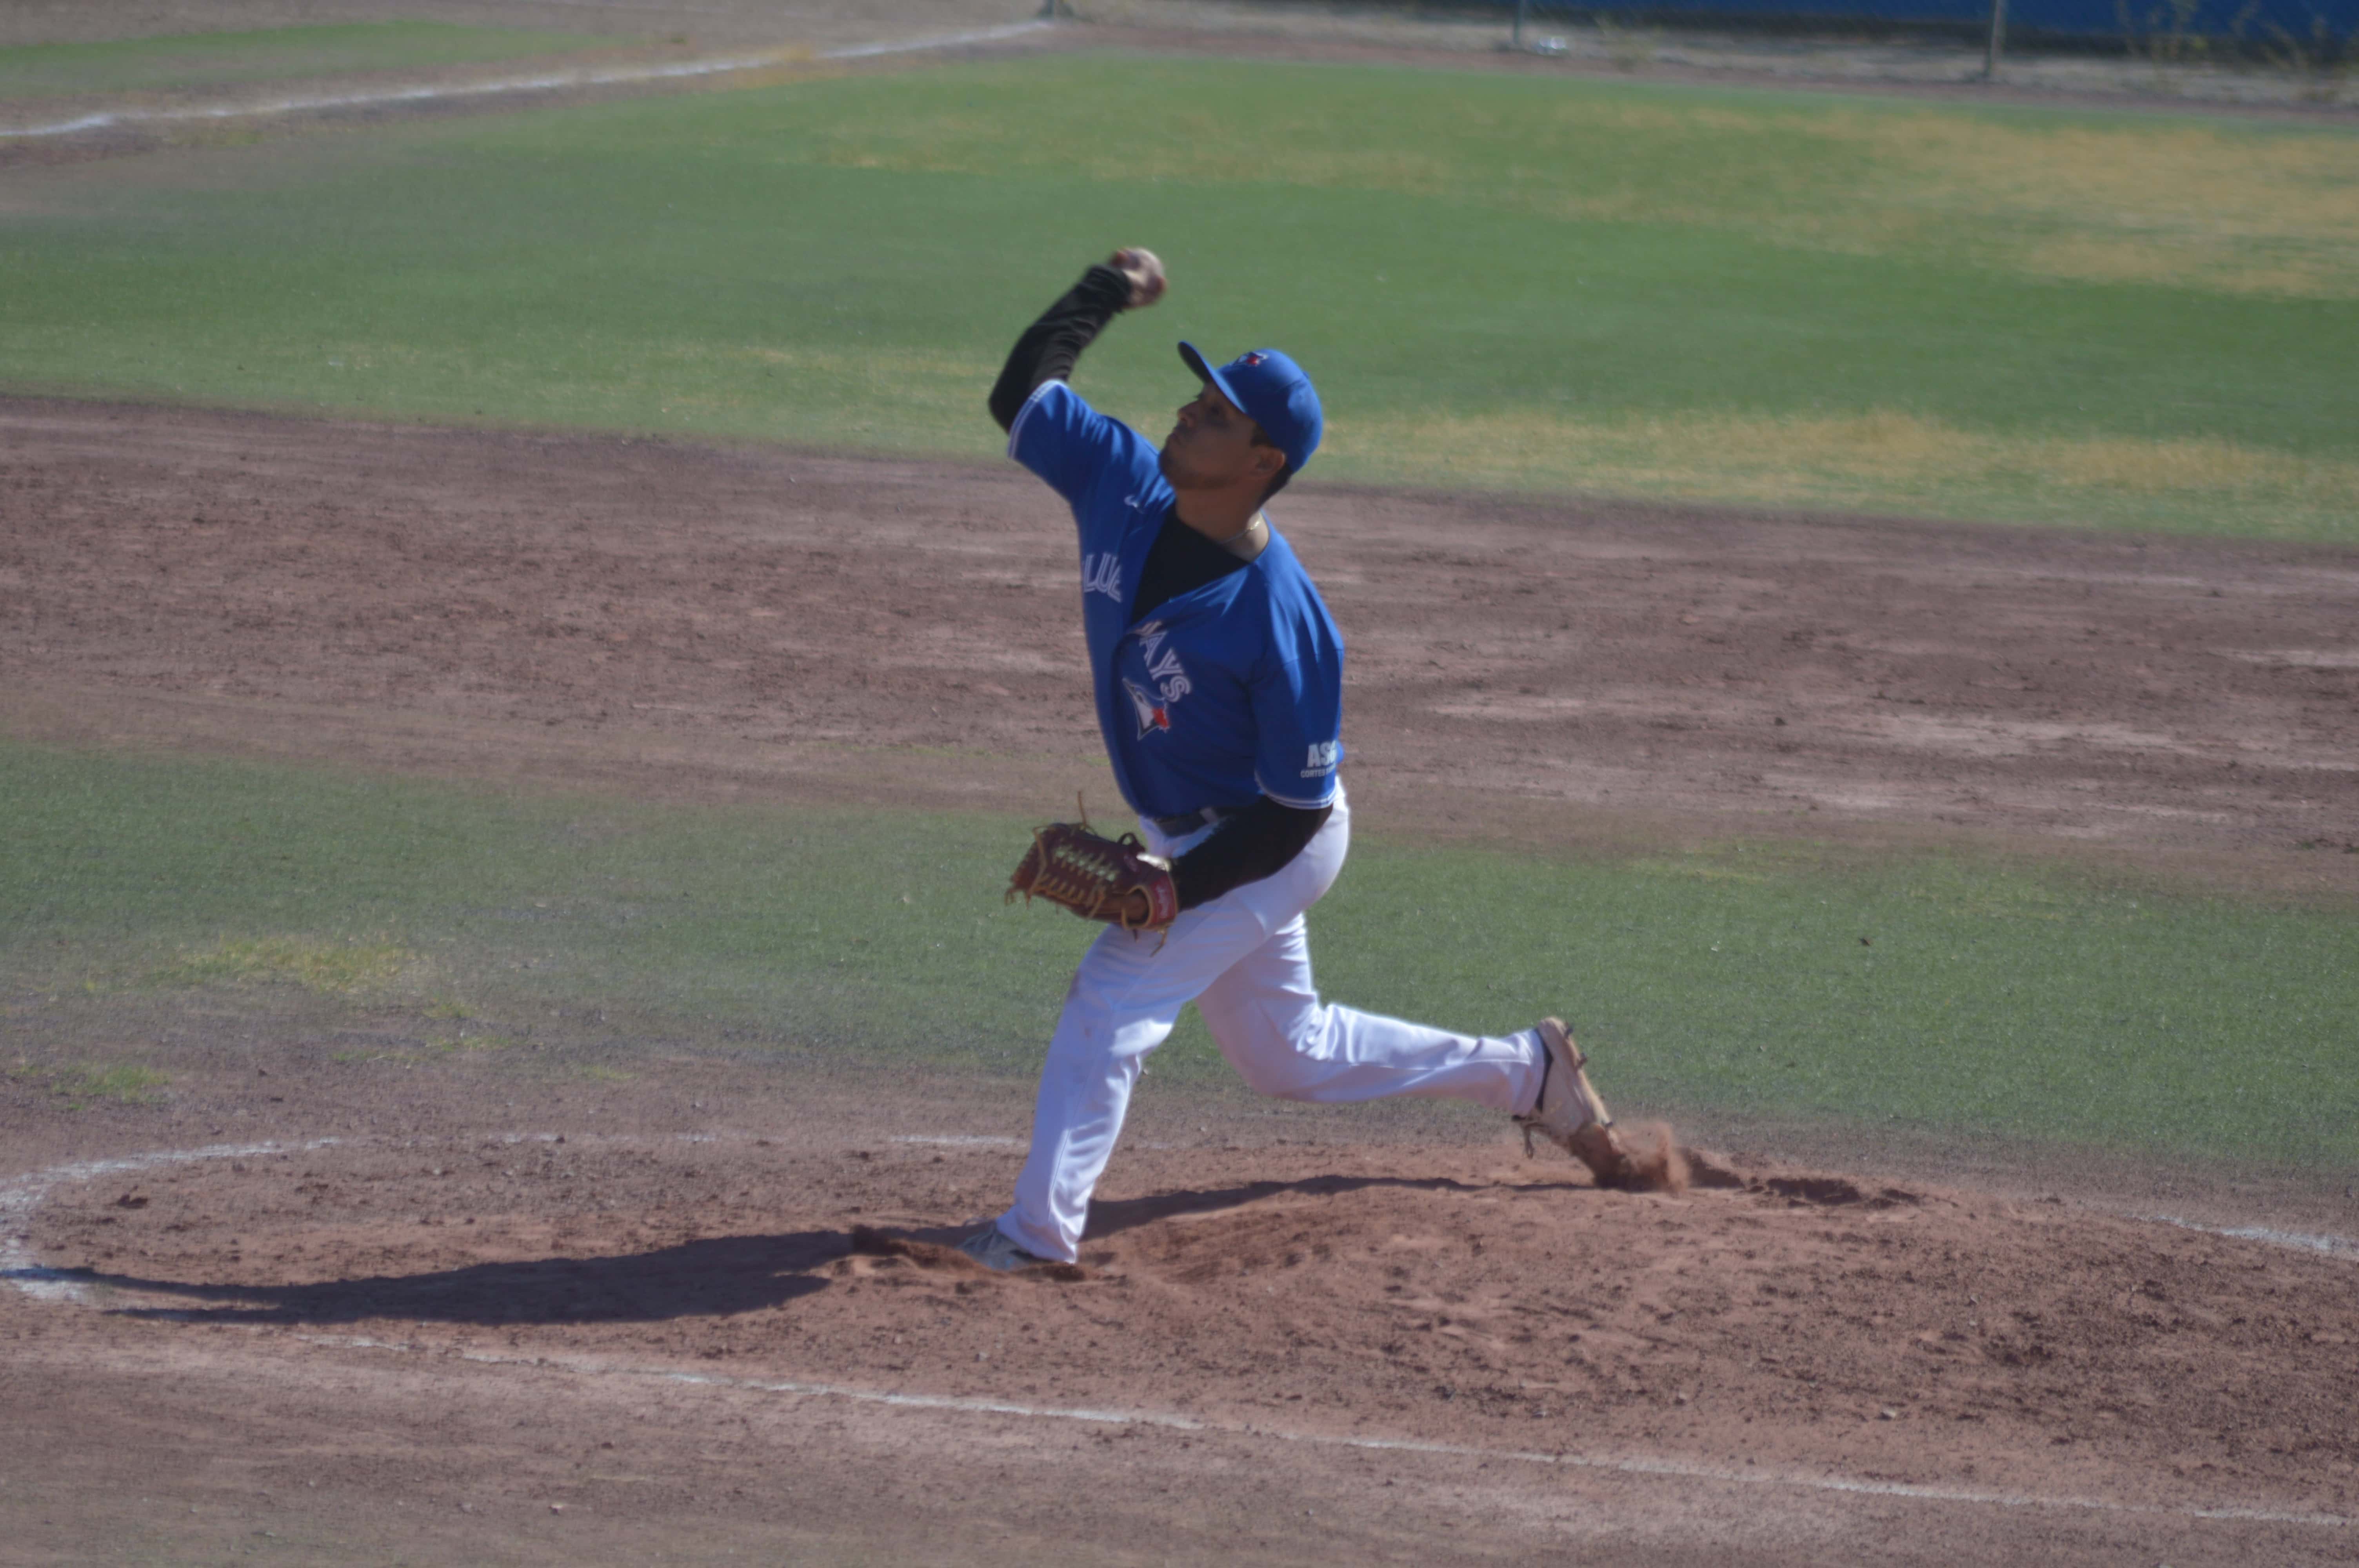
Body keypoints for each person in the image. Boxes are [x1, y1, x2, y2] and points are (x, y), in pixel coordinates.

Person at [960, 248, 1652, 1272]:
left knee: (1114, 996)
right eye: (1198, 395)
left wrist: (1174, 894)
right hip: (1185, 834)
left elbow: (1290, 813)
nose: (1191, 412)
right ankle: (1527, 1074)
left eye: (1220, 414)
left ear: (1263, 463)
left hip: (1270, 843)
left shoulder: (1288, 625)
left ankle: (1035, 1237)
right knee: (1290, 1056)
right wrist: (1106, 289)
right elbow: (1022, 394)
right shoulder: (1119, 478)